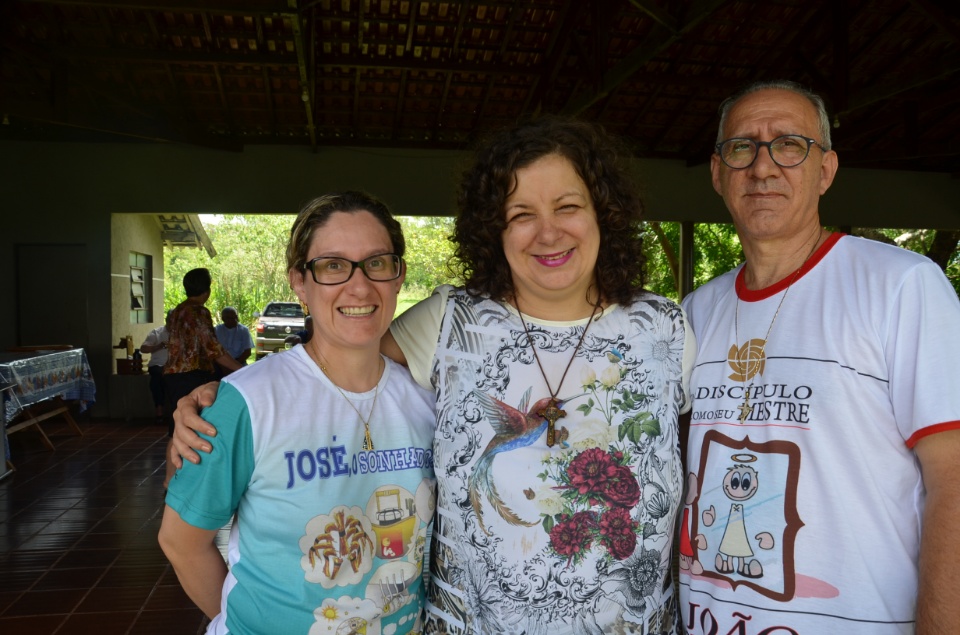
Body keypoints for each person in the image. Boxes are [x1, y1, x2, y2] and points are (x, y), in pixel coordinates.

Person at [173, 117, 696, 633]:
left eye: (568, 206)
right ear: (494, 228)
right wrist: (226, 397)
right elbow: (338, 348)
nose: (548, 232)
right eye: (520, 213)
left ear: (604, 213)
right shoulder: (450, 321)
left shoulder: (668, 330)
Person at [677, 80, 960, 634]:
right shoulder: (694, 312)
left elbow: (953, 477)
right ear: (717, 172)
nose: (763, 168)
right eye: (742, 147)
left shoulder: (901, 286)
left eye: (789, 145)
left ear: (826, 169)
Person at [158, 192, 436, 633]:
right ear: (299, 283)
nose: (359, 286)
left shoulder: (428, 400)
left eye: (377, 263)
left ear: (397, 276)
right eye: (332, 266)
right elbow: (181, 542)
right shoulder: (244, 402)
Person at [162, 268, 244, 488]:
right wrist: (242, 370)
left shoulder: (177, 311)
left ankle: (170, 480)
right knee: (194, 426)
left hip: (172, 375)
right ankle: (191, 482)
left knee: (177, 426)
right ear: (207, 290)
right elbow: (213, 349)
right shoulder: (199, 312)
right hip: (191, 376)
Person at [140, 310, 171, 424]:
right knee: (157, 378)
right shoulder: (157, 333)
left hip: (176, 366)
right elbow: (143, 348)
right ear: (166, 320)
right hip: (158, 365)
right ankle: (159, 409)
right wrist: (159, 346)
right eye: (170, 320)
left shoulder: (182, 333)